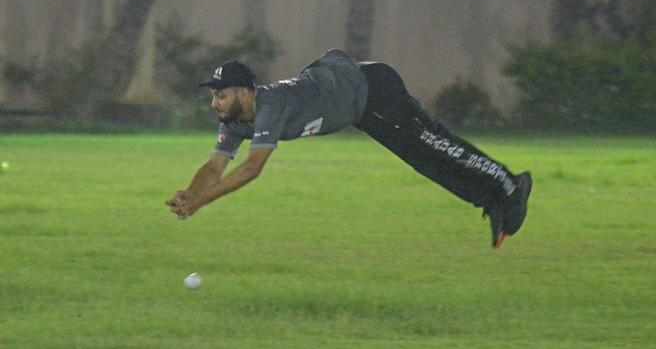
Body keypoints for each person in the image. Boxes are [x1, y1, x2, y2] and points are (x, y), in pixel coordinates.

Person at [166, 49, 532, 248]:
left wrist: (202, 201)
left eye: (221, 95)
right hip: (358, 105)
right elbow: (214, 167)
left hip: (373, 88)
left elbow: (251, 168)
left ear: (245, 92)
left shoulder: (269, 105)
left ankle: (511, 184)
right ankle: (492, 198)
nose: (215, 103)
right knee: (423, 161)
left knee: (434, 143)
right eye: (214, 96)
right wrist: (191, 194)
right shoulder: (233, 121)